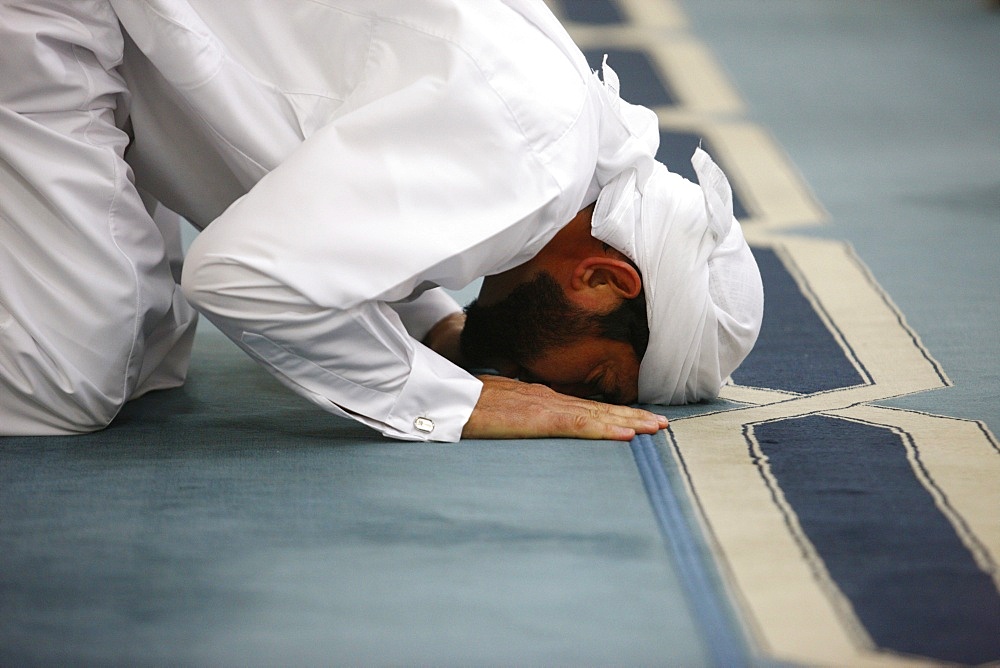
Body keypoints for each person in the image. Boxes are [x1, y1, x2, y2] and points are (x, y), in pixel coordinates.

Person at [0, 0, 763, 441]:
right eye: (598, 380)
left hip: (139, 41)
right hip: (74, 16)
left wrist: (434, 327)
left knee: (148, 349)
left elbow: (353, 193)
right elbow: (239, 277)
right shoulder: (531, 157)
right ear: (602, 278)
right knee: (63, 383)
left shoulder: (561, 143)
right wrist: (454, 402)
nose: (555, 391)